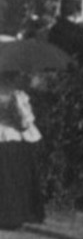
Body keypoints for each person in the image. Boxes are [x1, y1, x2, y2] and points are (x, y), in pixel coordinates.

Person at [0, 70, 45, 230]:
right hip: (14, 139)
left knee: (4, 179)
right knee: (15, 179)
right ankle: (12, 217)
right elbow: (25, 122)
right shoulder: (17, 95)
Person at [47, 0, 83, 65]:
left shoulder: (53, 28)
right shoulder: (77, 30)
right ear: (75, 13)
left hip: (54, 65)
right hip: (71, 66)